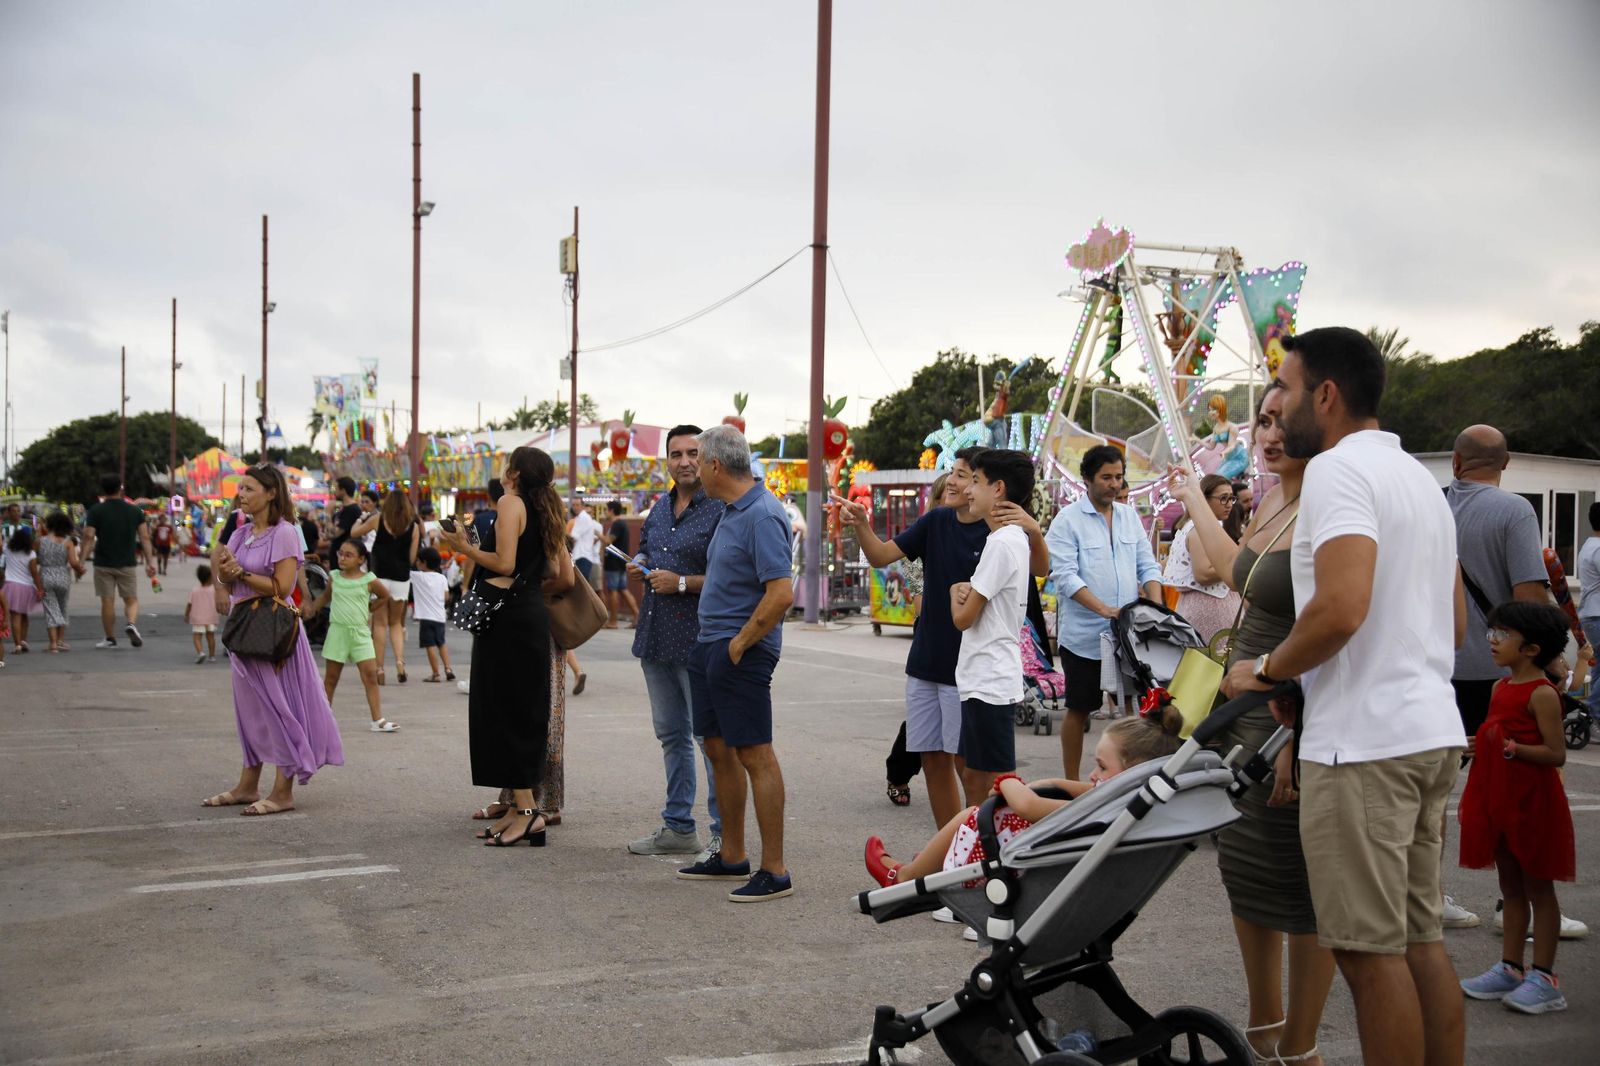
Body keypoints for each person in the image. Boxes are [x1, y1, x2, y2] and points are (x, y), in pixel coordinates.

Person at [1222, 326, 1466, 1066]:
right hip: (1427, 731)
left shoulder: (1336, 474)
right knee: (1418, 939)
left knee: (1366, 955)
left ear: (1324, 395)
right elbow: (1453, 623)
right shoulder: (1418, 479)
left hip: (1365, 744)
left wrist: (1264, 670)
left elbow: (1340, 607)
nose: (1280, 408)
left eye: (1286, 391)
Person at [1168, 391, 1333, 1066]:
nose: (1269, 432)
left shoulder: (1329, 506)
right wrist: (1195, 500)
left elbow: (1330, 628)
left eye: (1281, 418)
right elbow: (1228, 569)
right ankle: (1264, 1024)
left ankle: (1301, 1044)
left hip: (1292, 712)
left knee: (1300, 886)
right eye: (1261, 420)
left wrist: (1296, 736)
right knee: (1246, 869)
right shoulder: (1271, 502)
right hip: (1242, 715)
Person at [838, 447, 1050, 827]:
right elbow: (880, 556)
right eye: (952, 473)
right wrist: (860, 523)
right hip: (927, 660)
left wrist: (1034, 528)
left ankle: (975, 849)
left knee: (970, 768)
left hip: (970, 672)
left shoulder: (1001, 531)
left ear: (986, 486)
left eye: (964, 474)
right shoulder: (936, 521)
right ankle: (953, 849)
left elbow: (1039, 569)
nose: (953, 481)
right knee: (933, 760)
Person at [1441, 425, 1557, 930]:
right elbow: (1528, 593)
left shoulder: (1434, 506)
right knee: (1515, 788)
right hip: (1499, 673)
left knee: (1434, 786)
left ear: (1455, 462)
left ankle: (1430, 895)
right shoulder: (1515, 511)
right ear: (1505, 464)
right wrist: (1548, 659)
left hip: (1440, 666)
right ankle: (1519, 905)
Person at [673, 425, 795, 902]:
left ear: (716, 466)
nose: (693, 469)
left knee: (754, 754)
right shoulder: (730, 510)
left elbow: (781, 592)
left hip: (738, 650)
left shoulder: (763, 514)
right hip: (713, 646)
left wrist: (739, 645)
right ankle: (732, 856)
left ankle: (775, 870)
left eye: (698, 460)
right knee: (719, 750)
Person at [864, 710, 1184, 888]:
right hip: (1051, 868)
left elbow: (1029, 805)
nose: (1092, 775)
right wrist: (1053, 781)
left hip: (1017, 870)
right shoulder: (1128, 803)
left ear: (1131, 772)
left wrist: (1008, 782)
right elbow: (1082, 791)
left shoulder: (1102, 812)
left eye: (1101, 766)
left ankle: (903, 876)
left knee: (975, 815)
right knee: (981, 815)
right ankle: (933, 863)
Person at [439, 446, 574, 849]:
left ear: (513, 472)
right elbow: (551, 569)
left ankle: (529, 814)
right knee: (519, 710)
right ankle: (519, 810)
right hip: (528, 612)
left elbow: (504, 563)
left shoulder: (510, 501)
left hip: (510, 617)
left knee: (504, 711)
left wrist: (462, 547)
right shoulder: (543, 506)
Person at [203, 464, 344, 815]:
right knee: (250, 713)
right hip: (244, 632)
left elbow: (283, 587)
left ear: (271, 493)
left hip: (272, 633)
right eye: (241, 489)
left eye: (249, 489)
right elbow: (225, 579)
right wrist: (225, 572)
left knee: (279, 709)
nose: (242, 495)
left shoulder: (284, 533)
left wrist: (244, 574)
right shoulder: (240, 532)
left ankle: (283, 791)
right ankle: (247, 784)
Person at [1457, 602, 1575, 1014]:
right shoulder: (1499, 688)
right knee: (1510, 888)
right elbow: (1497, 733)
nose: (1491, 641)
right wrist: (1480, 743)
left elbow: (1556, 753)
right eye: (1493, 632)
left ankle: (1545, 977)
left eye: (1502, 635)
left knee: (1539, 888)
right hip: (1500, 799)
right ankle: (1511, 967)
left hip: (1533, 803)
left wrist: (1513, 748)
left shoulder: (1543, 693)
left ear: (1531, 649)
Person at [626, 424, 726, 858]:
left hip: (698, 639)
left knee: (709, 741)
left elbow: (730, 576)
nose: (684, 461)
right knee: (671, 735)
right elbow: (649, 547)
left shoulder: (721, 509)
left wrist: (682, 582)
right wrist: (641, 562)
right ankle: (679, 828)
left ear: (705, 458)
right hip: (655, 636)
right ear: (666, 460)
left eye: (692, 453)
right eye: (676, 454)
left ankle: (725, 835)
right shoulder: (660, 508)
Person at [1045, 445, 1163, 780]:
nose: (1114, 484)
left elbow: (1148, 566)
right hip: (1084, 637)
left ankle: (1128, 780)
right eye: (1106, 477)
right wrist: (1103, 609)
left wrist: (1154, 607)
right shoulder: (1067, 521)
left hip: (1129, 635)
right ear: (1087, 479)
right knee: (1079, 710)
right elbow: (1064, 577)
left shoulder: (1129, 518)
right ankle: (1071, 784)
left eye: (1119, 477)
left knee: (1135, 710)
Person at [948, 449, 1036, 799]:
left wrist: (954, 591)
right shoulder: (1010, 539)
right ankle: (978, 845)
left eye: (975, 481)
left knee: (998, 782)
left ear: (998, 489)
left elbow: (964, 618)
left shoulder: (1001, 543)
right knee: (975, 775)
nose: (968, 489)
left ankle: (1000, 847)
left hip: (990, 678)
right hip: (987, 675)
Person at [883, 471, 952, 808]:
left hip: (963, 640)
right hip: (932, 633)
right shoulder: (923, 537)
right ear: (936, 502)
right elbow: (922, 599)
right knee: (924, 725)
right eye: (947, 494)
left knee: (954, 732)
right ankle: (898, 772)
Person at [306, 538, 398, 732]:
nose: (343, 558)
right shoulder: (334, 577)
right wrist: (309, 610)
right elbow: (325, 597)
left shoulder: (369, 579)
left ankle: (377, 720)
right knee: (331, 679)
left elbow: (385, 595)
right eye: (340, 554)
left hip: (360, 634)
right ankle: (322, 719)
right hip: (337, 632)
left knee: (370, 677)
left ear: (361, 559)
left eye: (349, 555)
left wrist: (371, 607)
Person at [1162, 474, 1243, 643]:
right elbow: (1203, 574)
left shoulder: (1199, 527)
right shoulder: (1198, 529)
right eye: (1223, 499)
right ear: (1203, 499)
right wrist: (1235, 562)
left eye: (1231, 498)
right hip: (1210, 611)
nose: (1229, 504)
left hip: (1210, 608)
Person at [81, 474, 156, 649]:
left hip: (103, 563)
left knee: (107, 601)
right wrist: (150, 562)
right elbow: (145, 537)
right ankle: (131, 623)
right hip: (127, 563)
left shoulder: (96, 511)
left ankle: (110, 638)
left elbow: (88, 537)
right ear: (120, 488)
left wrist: (81, 561)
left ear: (103, 490)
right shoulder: (135, 511)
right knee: (131, 599)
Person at [354, 490, 420, 684]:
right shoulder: (413, 527)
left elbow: (354, 533)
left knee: (380, 624)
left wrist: (360, 519)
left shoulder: (378, 520)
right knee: (396, 624)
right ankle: (400, 663)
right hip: (401, 578)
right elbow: (412, 558)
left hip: (379, 577)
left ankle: (380, 669)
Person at [36, 511, 84, 653]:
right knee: (62, 607)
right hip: (63, 575)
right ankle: (61, 641)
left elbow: (33, 559)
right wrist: (80, 570)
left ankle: (53, 644)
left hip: (45, 575)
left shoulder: (40, 541)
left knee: (51, 609)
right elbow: (73, 563)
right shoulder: (68, 542)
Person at [410, 547, 455, 683]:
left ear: (423, 562)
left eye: (418, 561)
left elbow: (404, 571)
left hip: (426, 617)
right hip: (440, 617)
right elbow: (446, 597)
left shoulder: (417, 576)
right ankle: (448, 669)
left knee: (430, 645)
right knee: (441, 643)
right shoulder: (442, 578)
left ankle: (436, 673)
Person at [4, 525, 44, 654]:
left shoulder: (8, 549)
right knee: (24, 615)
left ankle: (18, 645)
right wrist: (40, 589)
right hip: (26, 586)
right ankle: (22, 641)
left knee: (15, 616)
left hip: (10, 586)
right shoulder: (31, 554)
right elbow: (34, 573)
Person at [601, 500, 638, 629]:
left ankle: (613, 621)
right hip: (621, 561)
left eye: (606, 509)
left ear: (611, 510)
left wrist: (597, 534)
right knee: (623, 589)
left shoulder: (617, 524)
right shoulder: (622, 524)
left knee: (613, 590)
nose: (605, 512)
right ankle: (637, 616)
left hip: (614, 561)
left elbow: (608, 541)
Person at [1579, 502, 1600, 723]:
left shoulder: (1589, 545)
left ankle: (1593, 716)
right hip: (1597, 615)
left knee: (1598, 670)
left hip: (1591, 615)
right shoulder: (1598, 549)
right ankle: (1595, 716)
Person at [185, 563, 221, 664]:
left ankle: (201, 652)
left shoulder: (194, 590)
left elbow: (189, 604)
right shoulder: (213, 590)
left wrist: (186, 615)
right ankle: (212, 656)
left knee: (197, 637)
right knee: (211, 637)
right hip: (211, 617)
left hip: (198, 618)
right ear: (210, 577)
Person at [569, 499, 604, 595]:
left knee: (581, 590)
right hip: (583, 556)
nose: (575, 507)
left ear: (582, 506)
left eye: (577, 505)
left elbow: (573, 538)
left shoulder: (583, 518)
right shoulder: (581, 518)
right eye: (573, 505)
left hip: (582, 557)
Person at [326, 476, 361, 559]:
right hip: (338, 553)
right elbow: (328, 534)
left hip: (345, 556)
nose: (335, 491)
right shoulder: (343, 508)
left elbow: (334, 533)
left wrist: (328, 513)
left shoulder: (352, 509)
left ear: (343, 491)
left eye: (337, 488)